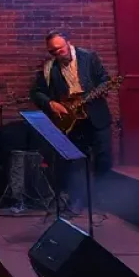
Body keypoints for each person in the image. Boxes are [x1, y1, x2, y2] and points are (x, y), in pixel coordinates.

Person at [31, 29, 113, 214]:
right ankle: (78, 200)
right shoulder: (49, 68)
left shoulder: (89, 57)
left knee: (103, 159)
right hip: (72, 120)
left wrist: (96, 92)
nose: (57, 54)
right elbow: (36, 92)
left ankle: (101, 199)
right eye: (52, 51)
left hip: (96, 116)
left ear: (68, 43)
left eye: (59, 49)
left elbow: (105, 81)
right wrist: (51, 103)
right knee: (75, 162)